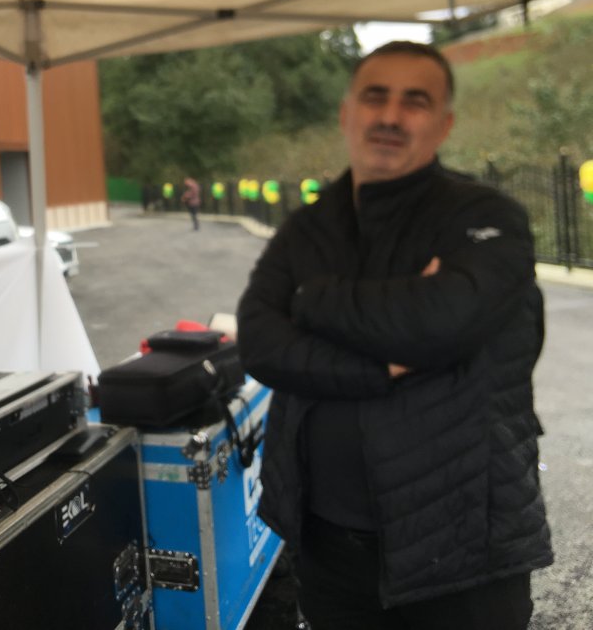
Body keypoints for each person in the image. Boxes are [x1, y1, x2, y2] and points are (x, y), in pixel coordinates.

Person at [236, 41, 552, 630]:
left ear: (443, 124)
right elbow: (260, 344)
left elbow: (440, 323)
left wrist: (312, 301)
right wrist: (379, 364)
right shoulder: (309, 228)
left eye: (415, 101)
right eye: (375, 97)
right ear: (346, 113)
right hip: (329, 549)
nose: (390, 115)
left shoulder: (487, 216)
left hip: (465, 550)